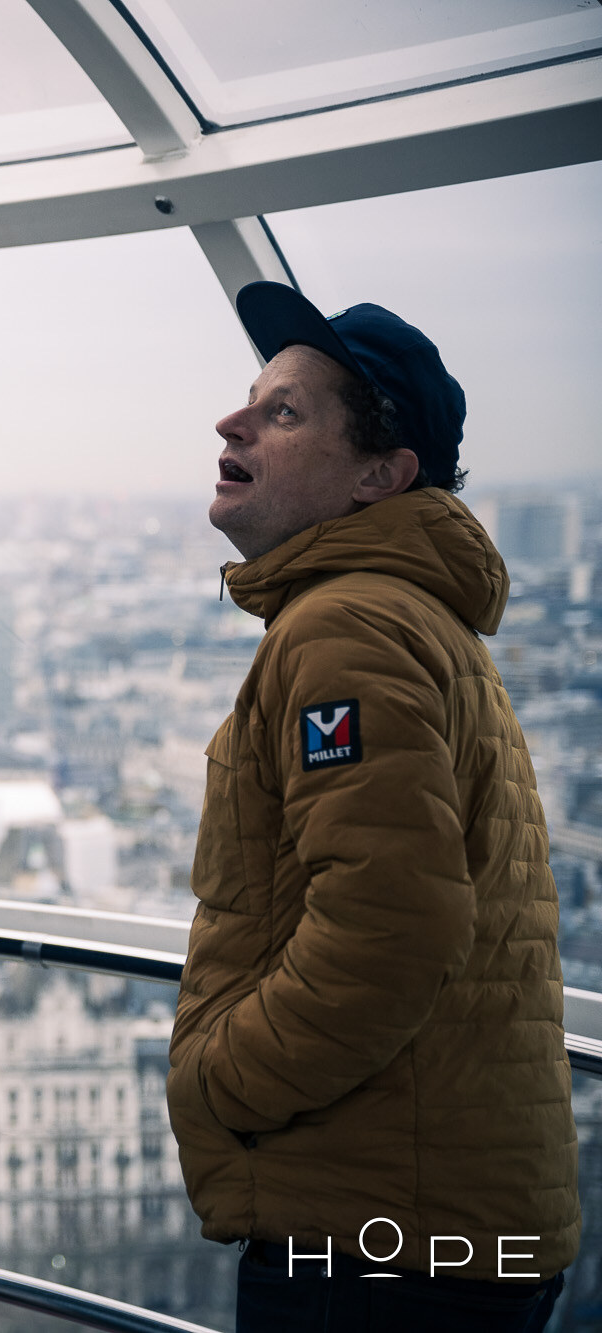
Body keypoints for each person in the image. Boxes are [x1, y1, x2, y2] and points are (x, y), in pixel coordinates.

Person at [169, 281, 578, 1332]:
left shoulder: (345, 628)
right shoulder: (413, 618)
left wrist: (219, 1080)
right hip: (442, 1218)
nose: (232, 422)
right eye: (250, 399)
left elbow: (390, 928)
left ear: (377, 476)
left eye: (284, 411)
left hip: (373, 1239)